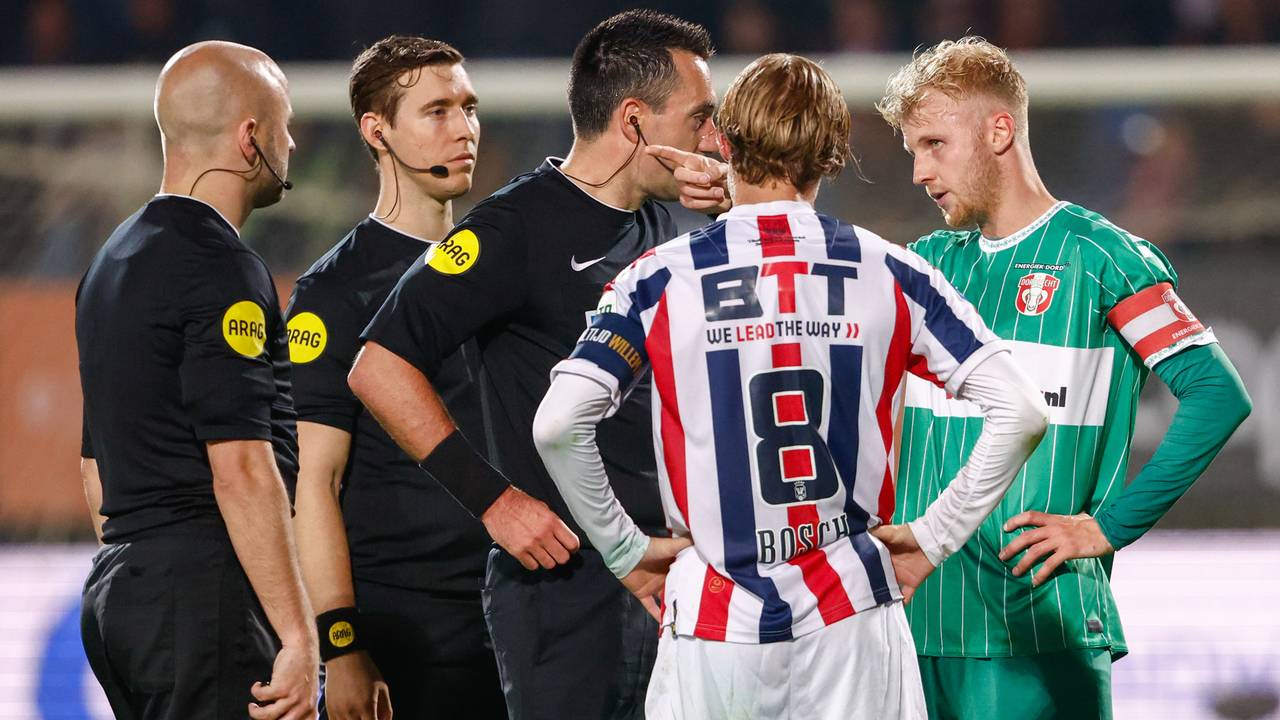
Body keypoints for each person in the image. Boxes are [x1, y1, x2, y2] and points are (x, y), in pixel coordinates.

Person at [532, 52, 1048, 720]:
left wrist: (625, 550)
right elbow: (1023, 411)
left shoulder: (659, 278)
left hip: (714, 626)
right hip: (852, 616)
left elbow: (557, 425)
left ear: (722, 140)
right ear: (833, 154)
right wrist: (935, 536)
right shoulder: (890, 271)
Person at [347, 10, 722, 718]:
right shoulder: (513, 227)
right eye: (699, 119)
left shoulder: (682, 225)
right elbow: (378, 363)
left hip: (686, 576)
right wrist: (494, 500)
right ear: (636, 122)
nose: (712, 141)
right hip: (568, 587)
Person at [876, 37, 1253, 719]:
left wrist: (1108, 527)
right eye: (913, 152)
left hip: (1031, 627)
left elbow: (1217, 392)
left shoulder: (1100, 257)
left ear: (999, 131)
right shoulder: (926, 265)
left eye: (933, 145)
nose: (919, 173)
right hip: (918, 620)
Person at [76, 41, 318, 720]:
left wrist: (145, 582)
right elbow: (240, 463)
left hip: (120, 593)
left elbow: (93, 466)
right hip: (201, 596)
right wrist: (297, 634)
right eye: (284, 124)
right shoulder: (219, 266)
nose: (292, 142)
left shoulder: (110, 264)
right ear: (250, 138)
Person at [285, 36, 506, 720]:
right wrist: (341, 646)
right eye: (437, 111)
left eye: (468, 108)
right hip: (408, 628)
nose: (464, 129)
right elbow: (314, 482)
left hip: (515, 608)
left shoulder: (501, 263)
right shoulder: (334, 290)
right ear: (376, 131)